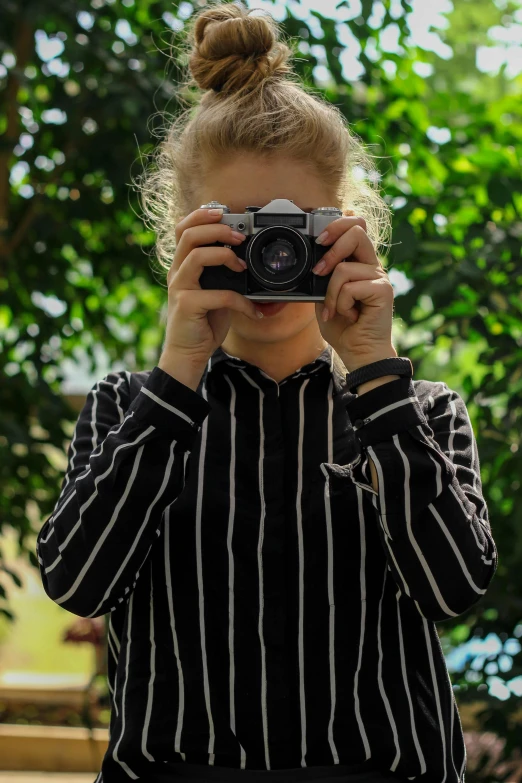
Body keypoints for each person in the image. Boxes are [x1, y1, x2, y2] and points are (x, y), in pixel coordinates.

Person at [35, 3, 498, 782]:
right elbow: (79, 581)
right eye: (239, 231)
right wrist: (179, 366)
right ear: (183, 235)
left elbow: (454, 590)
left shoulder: (420, 411)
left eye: (292, 229)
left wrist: (374, 369)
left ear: (345, 229)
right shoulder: (127, 407)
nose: (271, 256)